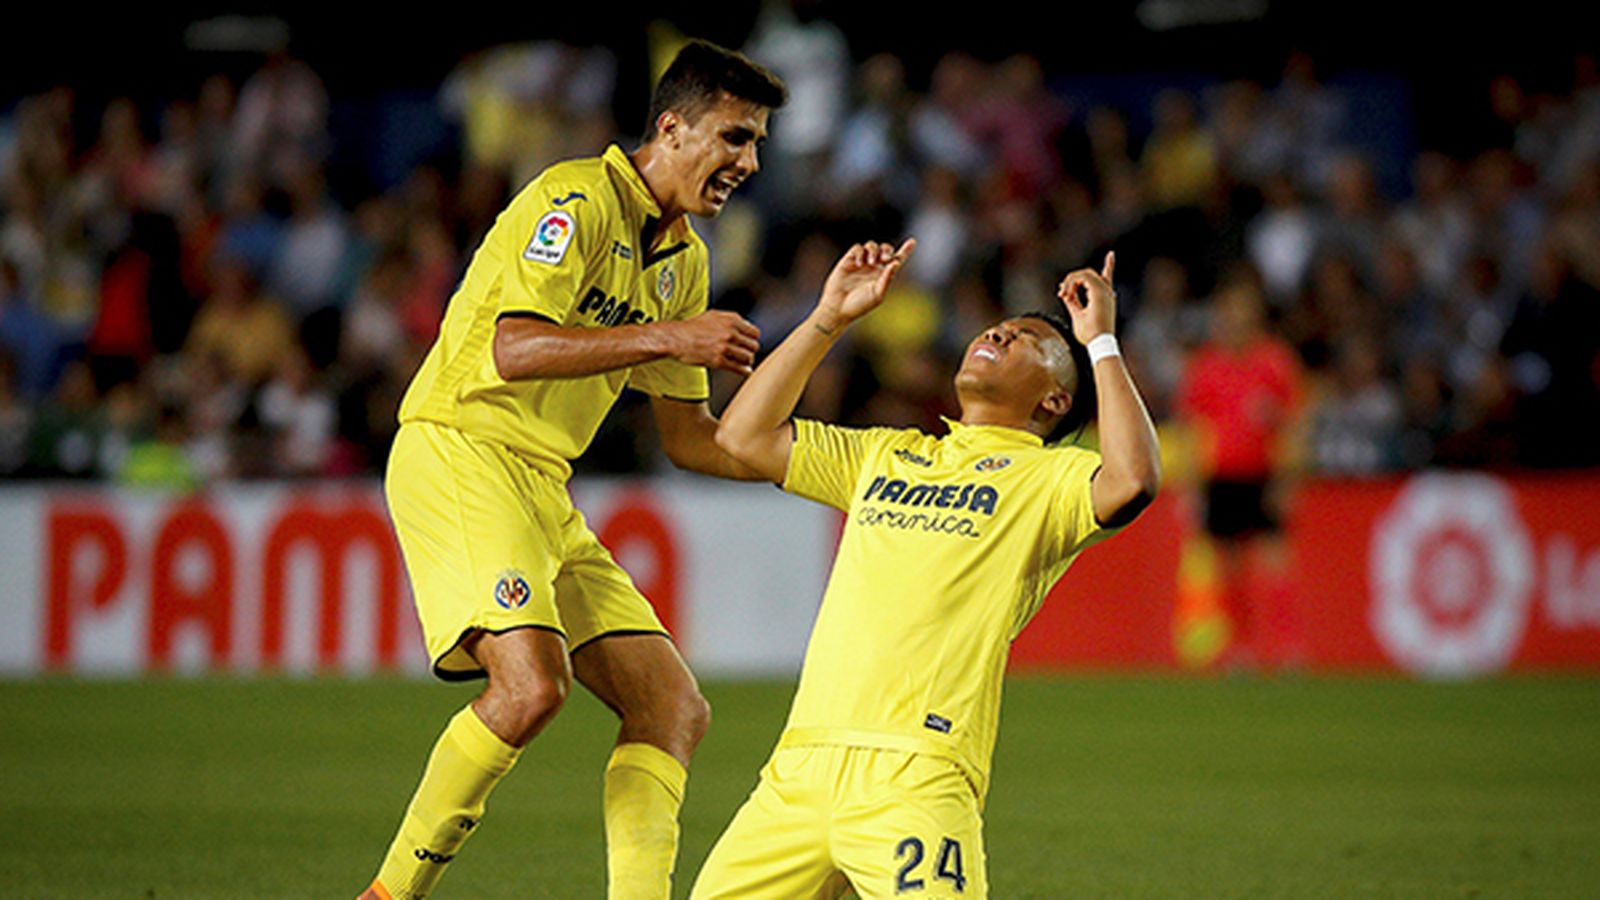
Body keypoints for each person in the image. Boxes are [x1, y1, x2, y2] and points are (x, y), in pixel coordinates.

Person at [358, 40, 786, 900]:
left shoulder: (685, 262)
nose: (748, 161)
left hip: (540, 486)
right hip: (463, 446)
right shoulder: (573, 198)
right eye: (735, 137)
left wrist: (826, 450)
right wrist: (668, 336)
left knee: (671, 708)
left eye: (757, 144)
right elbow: (511, 348)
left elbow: (691, 438)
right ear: (671, 126)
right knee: (529, 689)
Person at [694, 243, 1161, 898]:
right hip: (797, 768)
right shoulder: (887, 454)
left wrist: (1101, 343)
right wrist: (828, 316)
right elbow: (743, 435)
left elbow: (1134, 478)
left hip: (917, 775)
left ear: (1055, 401)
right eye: (1000, 325)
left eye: (1028, 339)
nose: (998, 331)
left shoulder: (1049, 481)